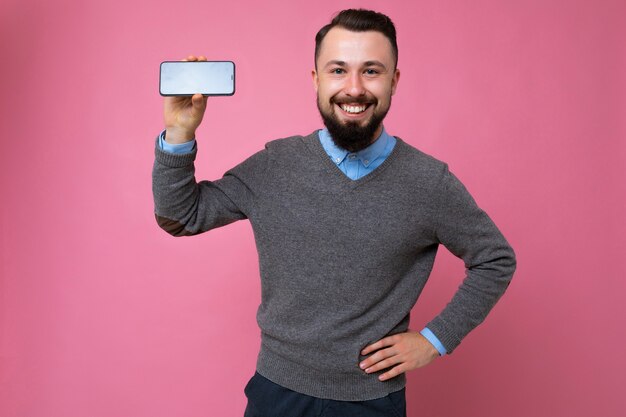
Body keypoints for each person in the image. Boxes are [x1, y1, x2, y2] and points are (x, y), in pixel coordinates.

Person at [152, 8, 516, 417]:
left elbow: (495, 259)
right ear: (317, 80)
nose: (354, 88)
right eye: (338, 70)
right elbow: (181, 216)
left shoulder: (429, 182)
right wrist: (180, 133)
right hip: (277, 396)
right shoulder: (275, 165)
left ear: (394, 81)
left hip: (373, 402)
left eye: (372, 71)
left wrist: (435, 339)